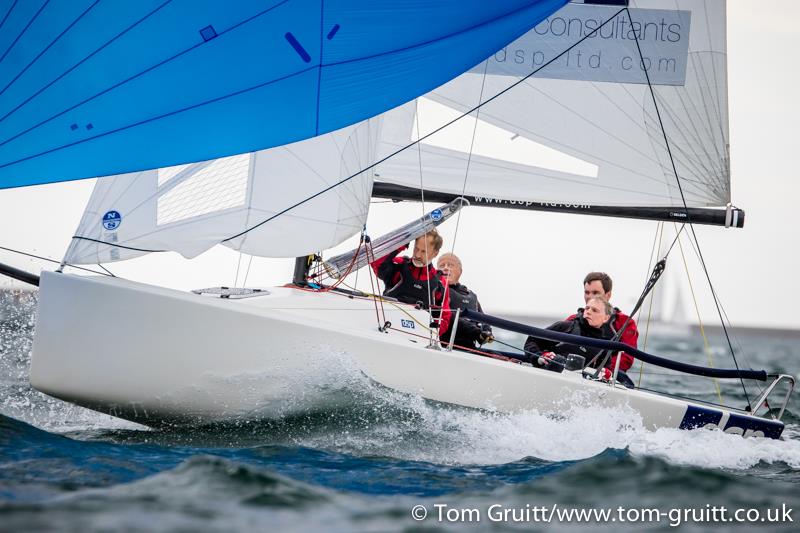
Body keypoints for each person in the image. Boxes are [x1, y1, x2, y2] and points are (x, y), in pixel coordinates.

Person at [370, 230, 451, 337]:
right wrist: (402, 244)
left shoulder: (440, 282)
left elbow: (445, 316)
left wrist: (431, 333)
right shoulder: (399, 264)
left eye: (423, 251)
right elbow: (376, 261)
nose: (417, 254)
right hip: (387, 329)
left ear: (435, 253)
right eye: (416, 248)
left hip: (418, 336)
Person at [524, 296, 617, 379]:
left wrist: (605, 374)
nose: (588, 311)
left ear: (606, 318)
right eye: (587, 308)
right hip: (546, 376)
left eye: (594, 310)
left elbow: (606, 368)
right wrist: (540, 357)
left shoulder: (604, 346)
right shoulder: (564, 327)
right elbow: (532, 340)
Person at [566, 272, 638, 372]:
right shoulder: (572, 320)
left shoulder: (625, 323)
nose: (590, 297)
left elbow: (626, 358)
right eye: (587, 292)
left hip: (606, 376)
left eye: (595, 293)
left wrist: (601, 370)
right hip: (569, 369)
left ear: (608, 295)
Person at [437, 252, 493, 348]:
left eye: (450, 265)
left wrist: (487, 333)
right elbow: (448, 315)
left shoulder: (472, 296)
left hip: (469, 348)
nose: (445, 268)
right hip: (444, 346)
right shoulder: (435, 290)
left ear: (460, 271)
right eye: (441, 266)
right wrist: (476, 332)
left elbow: (483, 320)